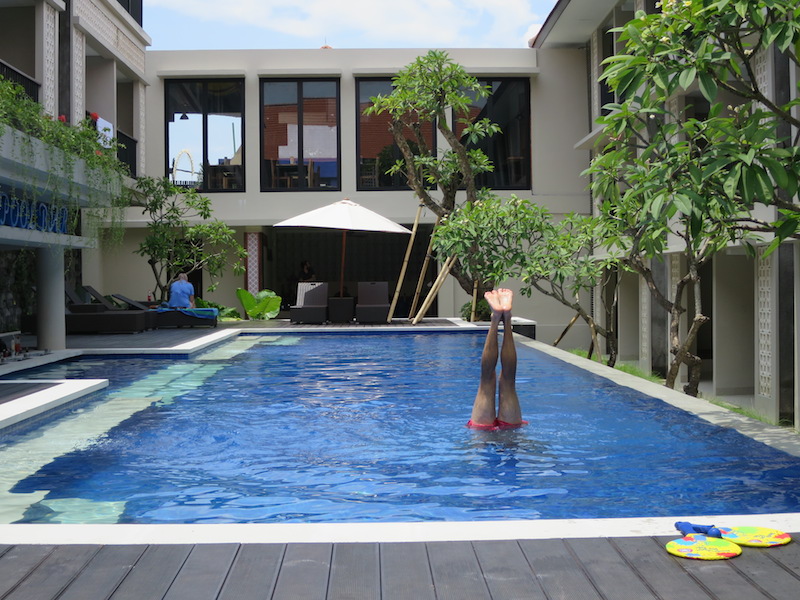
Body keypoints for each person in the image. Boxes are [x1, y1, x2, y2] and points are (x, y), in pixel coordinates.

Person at [467, 288, 527, 430]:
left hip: (481, 429)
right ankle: (507, 319)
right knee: (509, 382)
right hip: (511, 425)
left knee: (486, 381)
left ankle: (495, 318)